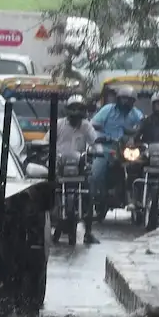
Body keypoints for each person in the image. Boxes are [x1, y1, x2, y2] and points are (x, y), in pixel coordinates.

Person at [42, 95, 98, 244]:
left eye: (79, 108)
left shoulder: (86, 126)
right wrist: (44, 150)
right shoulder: (59, 124)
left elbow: (95, 141)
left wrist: (96, 150)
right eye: (73, 108)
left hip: (78, 167)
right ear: (67, 110)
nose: (76, 112)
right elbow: (45, 141)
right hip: (59, 167)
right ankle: (45, 224)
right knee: (45, 191)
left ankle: (89, 232)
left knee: (89, 192)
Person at [88, 83, 143, 226]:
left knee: (138, 167)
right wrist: (101, 132)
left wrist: (137, 134)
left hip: (126, 149)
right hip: (107, 147)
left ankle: (137, 199)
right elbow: (93, 123)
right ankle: (94, 200)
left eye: (129, 100)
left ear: (133, 102)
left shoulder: (136, 114)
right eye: (123, 99)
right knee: (96, 172)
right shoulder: (108, 109)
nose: (125, 102)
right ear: (118, 99)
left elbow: (143, 125)